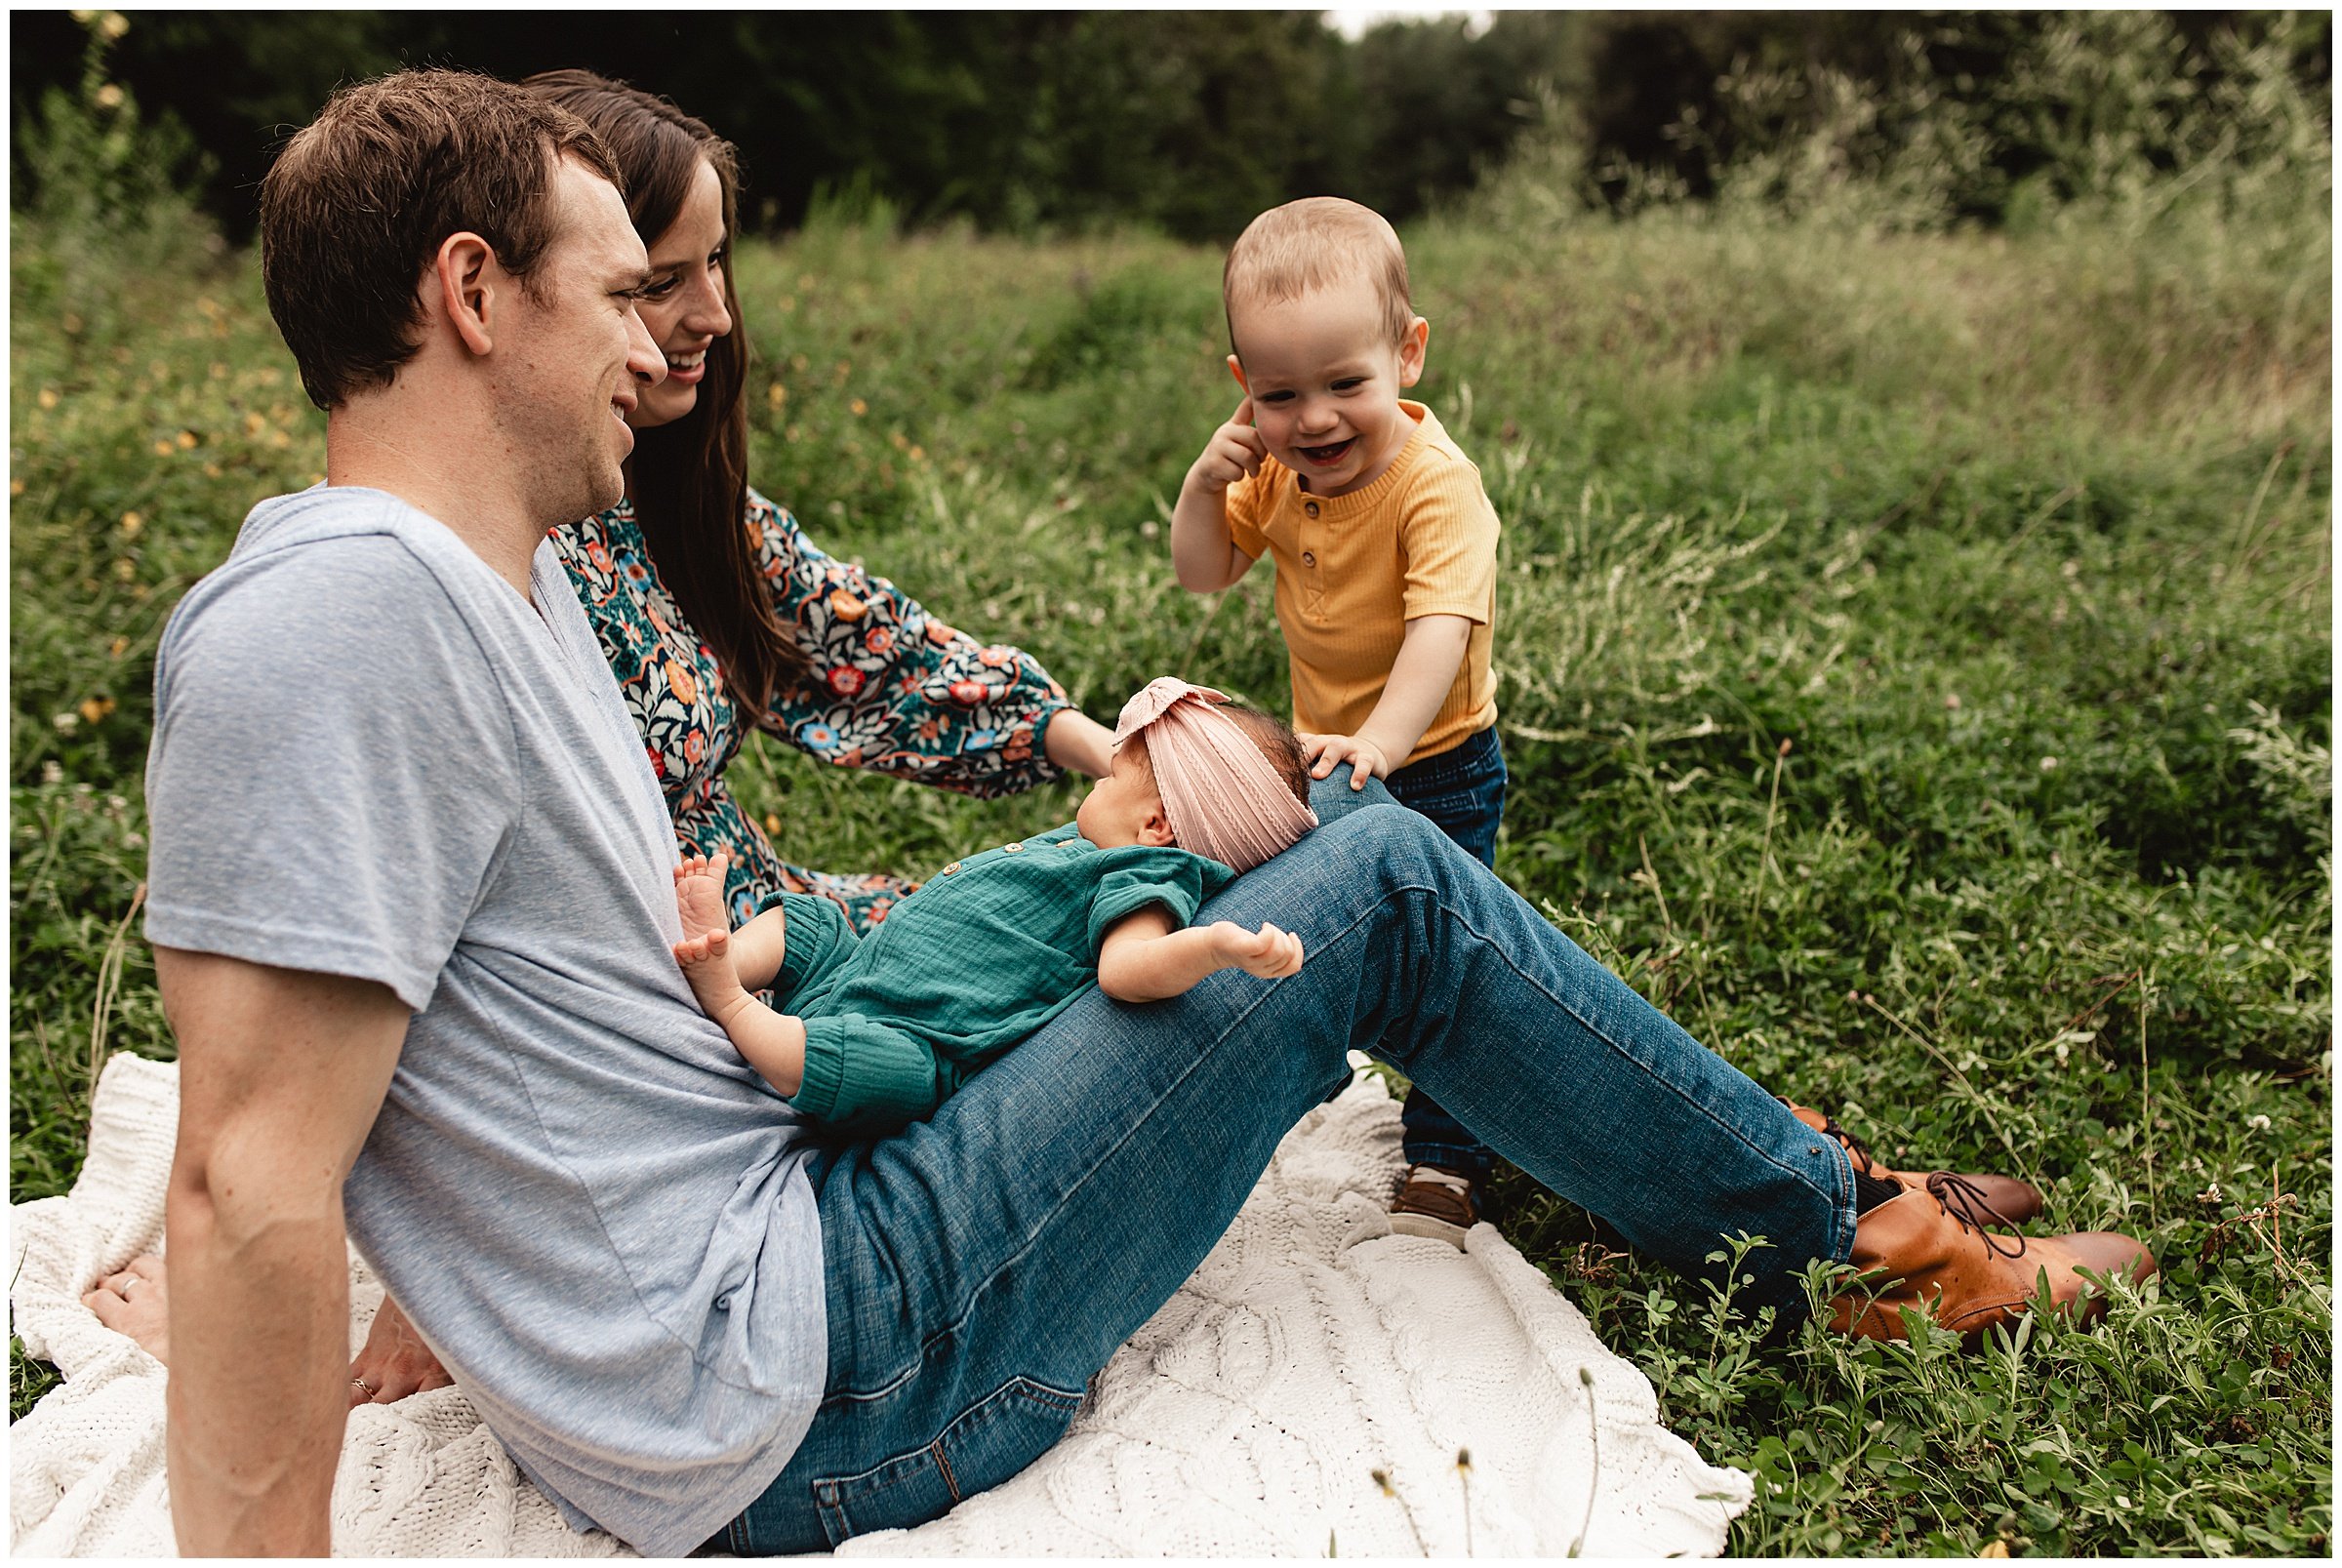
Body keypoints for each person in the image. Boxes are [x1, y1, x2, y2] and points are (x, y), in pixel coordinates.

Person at [101, 68, 2154, 1559]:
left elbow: (520, 1014)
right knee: (1389, 884)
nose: (663, 341)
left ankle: (1838, 1214)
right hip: (818, 1369)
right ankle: (1867, 1248)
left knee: (1237, 879)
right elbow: (247, 1181)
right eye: (620, 291)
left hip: (787, 1243)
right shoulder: (339, 620)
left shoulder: (517, 577)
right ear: (475, 294)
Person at [523, 69, 1114, 934]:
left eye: (717, 260)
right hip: (707, 992)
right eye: (660, 281)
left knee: (1081, 899)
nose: (716, 315)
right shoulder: (508, 539)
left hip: (782, 918)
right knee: (1061, 941)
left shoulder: (673, 489)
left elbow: (864, 642)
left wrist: (1099, 746)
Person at [1172, 195, 1505, 1240]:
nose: (1314, 418)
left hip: (1436, 758)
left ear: (1407, 355)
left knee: (1450, 962)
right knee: (1312, 938)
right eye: (1280, 393)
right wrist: (1201, 485)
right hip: (1330, 761)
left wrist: (1384, 745)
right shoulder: (1277, 471)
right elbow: (1203, 572)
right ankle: (1289, 1087)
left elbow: (1439, 630)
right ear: (1244, 391)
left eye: (1345, 383)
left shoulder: (1435, 486)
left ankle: (1447, 1161)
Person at [674, 679, 1315, 1131]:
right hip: (859, 972)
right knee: (813, 921)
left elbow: (1129, 969)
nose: (1100, 775)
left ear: (1155, 824)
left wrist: (1213, 946)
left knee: (876, 1069)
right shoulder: (1101, 843)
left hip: (910, 1036)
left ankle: (728, 1002)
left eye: (1111, 775)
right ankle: (731, 958)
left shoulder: (1148, 871)